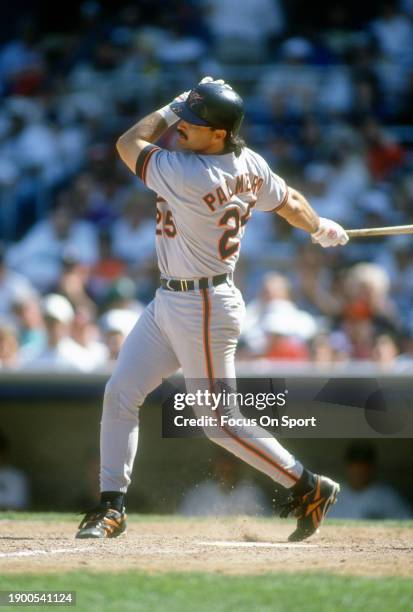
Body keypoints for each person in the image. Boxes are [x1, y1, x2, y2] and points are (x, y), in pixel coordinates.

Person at [76, 77, 349, 542]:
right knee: (121, 391)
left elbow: (128, 143)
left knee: (218, 422)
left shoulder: (188, 172)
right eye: (185, 117)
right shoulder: (250, 163)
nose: (182, 125)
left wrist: (174, 101)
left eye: (195, 121)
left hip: (203, 304)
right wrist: (319, 226)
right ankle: (111, 505)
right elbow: (291, 202)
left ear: (219, 133)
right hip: (173, 299)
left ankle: (308, 485)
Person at [329, 443, 412, 520]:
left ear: (372, 467)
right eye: (355, 465)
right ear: (348, 466)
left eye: (364, 466)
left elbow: (407, 522)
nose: (359, 470)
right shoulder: (334, 495)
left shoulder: (387, 496)